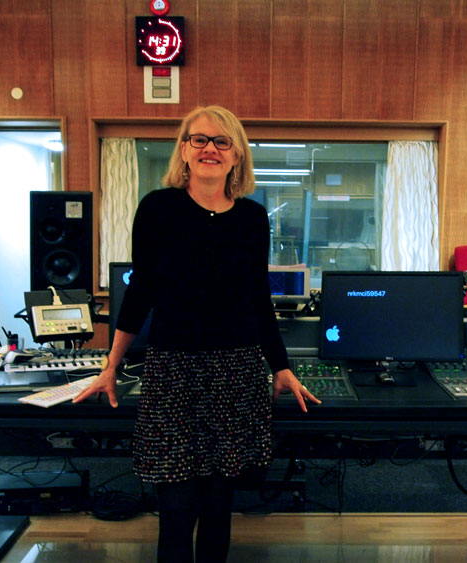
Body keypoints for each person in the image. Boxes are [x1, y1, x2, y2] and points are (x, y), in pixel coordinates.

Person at [74, 105, 320, 562]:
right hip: (174, 372)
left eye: (222, 141)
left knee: (218, 506)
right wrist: (111, 365)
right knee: (176, 507)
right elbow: (141, 292)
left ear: (237, 155)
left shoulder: (252, 218)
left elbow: (258, 297)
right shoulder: (158, 208)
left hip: (236, 372)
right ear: (184, 150)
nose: (210, 148)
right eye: (200, 139)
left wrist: (281, 367)